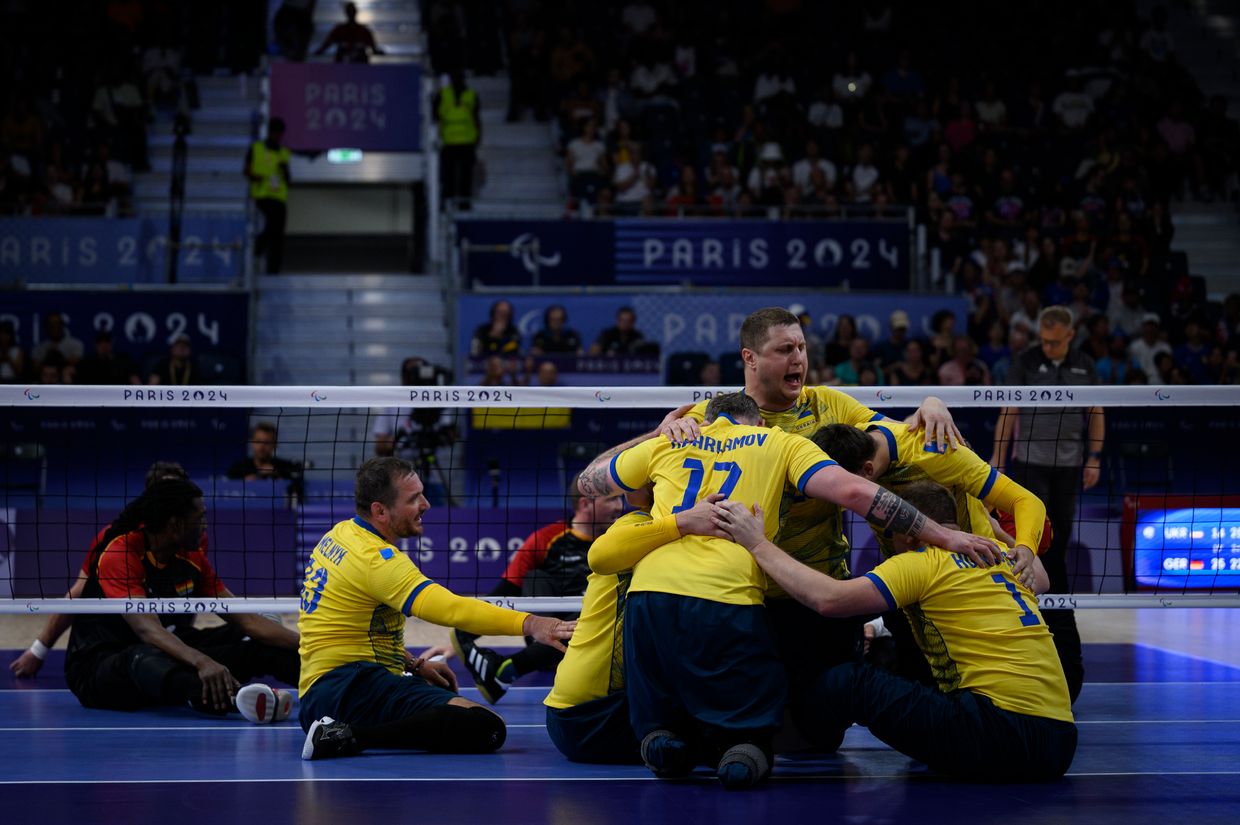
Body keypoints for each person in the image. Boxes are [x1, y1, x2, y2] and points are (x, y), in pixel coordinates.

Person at [579, 392, 1000, 789]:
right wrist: (945, 537)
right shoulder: (777, 441)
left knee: (662, 704)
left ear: (702, 422)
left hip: (649, 594)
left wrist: (657, 433)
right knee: (753, 706)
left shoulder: (666, 445)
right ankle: (745, 756)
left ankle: (661, 740)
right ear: (759, 420)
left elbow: (589, 482)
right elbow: (856, 491)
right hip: (725, 594)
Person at [651, 307, 966, 751]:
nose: (798, 358)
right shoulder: (714, 415)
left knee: (816, 740)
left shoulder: (828, 404)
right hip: (742, 595)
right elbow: (636, 466)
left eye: (801, 347)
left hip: (817, 592)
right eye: (785, 349)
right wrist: (661, 430)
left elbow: (896, 436)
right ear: (751, 358)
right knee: (736, 732)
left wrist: (931, 404)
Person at [709, 480, 1076, 781]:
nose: (890, 547)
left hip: (997, 733)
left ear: (913, 535)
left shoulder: (922, 562)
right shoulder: (995, 554)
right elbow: (1040, 578)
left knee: (848, 682)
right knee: (893, 652)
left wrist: (757, 543)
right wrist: (995, 531)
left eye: (893, 537)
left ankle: (763, 740)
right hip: (1060, 744)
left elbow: (829, 600)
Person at [297, 457, 575, 760]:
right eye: (414, 498)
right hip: (352, 690)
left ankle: (337, 729)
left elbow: (347, 630)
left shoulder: (339, 535)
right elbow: (451, 608)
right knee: (486, 726)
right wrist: (532, 623)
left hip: (319, 690)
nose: (426, 504)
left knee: (450, 703)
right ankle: (346, 737)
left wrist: (413, 664)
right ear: (380, 510)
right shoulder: (376, 560)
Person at [64, 479, 301, 724]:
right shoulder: (121, 554)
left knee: (256, 643)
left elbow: (248, 621)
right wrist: (202, 661)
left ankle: (323, 683)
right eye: (200, 518)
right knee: (142, 656)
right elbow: (148, 630)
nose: (205, 526)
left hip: (165, 651)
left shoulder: (191, 557)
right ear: (176, 524)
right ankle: (237, 700)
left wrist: (310, 645)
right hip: (101, 669)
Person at [546, 489, 724, 764]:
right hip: (589, 715)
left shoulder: (683, 539)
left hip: (585, 712)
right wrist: (684, 520)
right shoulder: (635, 525)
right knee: (728, 732)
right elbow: (600, 553)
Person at [992, 305, 1102, 702]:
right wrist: (998, 462)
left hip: (1069, 465)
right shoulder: (1025, 361)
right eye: (1044, 338)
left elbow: (1097, 410)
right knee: (1032, 539)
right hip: (1029, 464)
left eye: (1056, 340)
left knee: (1060, 542)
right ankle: (1029, 600)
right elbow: (1009, 409)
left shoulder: (1084, 364)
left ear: (1070, 336)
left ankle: (1053, 604)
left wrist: (1094, 457)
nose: (1048, 345)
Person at [11, 461, 195, 679]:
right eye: (166, 494)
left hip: (164, 632)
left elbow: (189, 593)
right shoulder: (115, 539)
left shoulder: (193, 537)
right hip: (124, 641)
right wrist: (38, 650)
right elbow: (78, 593)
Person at [452, 481, 624, 703]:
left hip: (594, 638)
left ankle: (506, 669)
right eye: (612, 499)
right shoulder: (546, 538)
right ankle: (519, 663)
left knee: (611, 602)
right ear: (585, 503)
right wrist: (462, 634)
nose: (620, 506)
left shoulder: (620, 539)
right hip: (548, 635)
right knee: (534, 577)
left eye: (620, 498)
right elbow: (505, 594)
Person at [244, 117, 291, 274]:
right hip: (262, 195)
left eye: (280, 133)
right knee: (273, 224)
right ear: (270, 132)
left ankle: (273, 269)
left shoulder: (284, 153)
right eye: (275, 132)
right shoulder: (256, 148)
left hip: (279, 197)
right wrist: (256, 176)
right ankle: (258, 247)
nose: (277, 136)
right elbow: (247, 170)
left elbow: (288, 179)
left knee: (278, 233)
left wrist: (284, 169)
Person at [434, 67, 481, 209]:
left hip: (466, 141)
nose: (458, 80)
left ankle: (463, 203)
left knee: (465, 175)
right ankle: (448, 201)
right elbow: (435, 114)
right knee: (448, 175)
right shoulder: (443, 94)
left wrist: (478, 136)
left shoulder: (471, 95)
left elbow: (476, 118)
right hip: (449, 142)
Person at [227, 421, 305, 501]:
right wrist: (258, 476)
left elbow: (296, 488)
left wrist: (276, 475)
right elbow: (228, 488)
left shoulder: (285, 467)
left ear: (275, 444)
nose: (262, 446)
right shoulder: (238, 467)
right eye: (258, 441)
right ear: (252, 442)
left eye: (267, 442)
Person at [314, 2, 384, 63]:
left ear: (355, 12)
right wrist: (317, 52)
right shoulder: (339, 29)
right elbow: (327, 44)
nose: (351, 13)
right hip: (342, 64)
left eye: (352, 11)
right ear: (346, 13)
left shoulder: (364, 30)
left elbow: (373, 48)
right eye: (349, 11)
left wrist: (380, 52)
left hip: (360, 64)